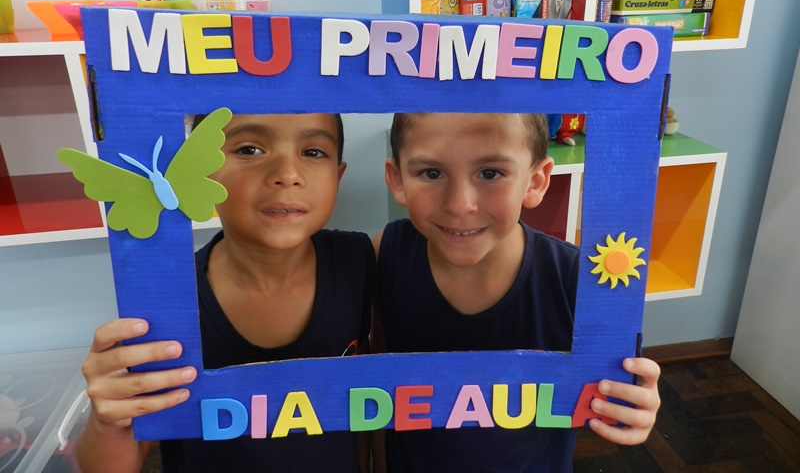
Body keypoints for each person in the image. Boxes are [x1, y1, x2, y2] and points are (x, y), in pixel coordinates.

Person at [76, 113, 374, 473]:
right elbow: (113, 461)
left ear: (337, 176)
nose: (288, 174)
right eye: (249, 149)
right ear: (201, 172)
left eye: (313, 152)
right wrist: (108, 421)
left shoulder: (360, 261)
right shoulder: (168, 298)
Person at [374, 112, 661, 472]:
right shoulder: (386, 254)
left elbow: (619, 387)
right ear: (397, 179)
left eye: (490, 173)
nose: (460, 204)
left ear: (535, 181)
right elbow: (373, 371)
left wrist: (635, 405)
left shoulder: (577, 280)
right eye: (431, 173)